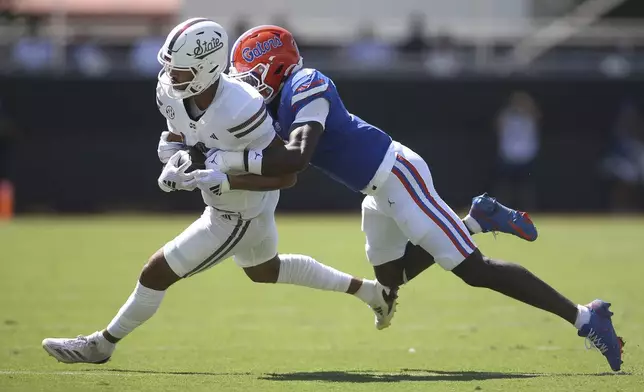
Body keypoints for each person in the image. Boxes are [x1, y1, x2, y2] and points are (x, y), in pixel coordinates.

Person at [212, 25, 623, 371]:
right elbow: (279, 168)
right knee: (390, 283)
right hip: (375, 193)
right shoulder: (279, 102)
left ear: (277, 65)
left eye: (252, 75)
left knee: (473, 270)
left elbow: (296, 159)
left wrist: (223, 162)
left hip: (398, 177)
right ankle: (475, 220)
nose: (248, 85)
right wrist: (206, 158)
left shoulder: (306, 84)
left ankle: (587, 318)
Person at [41, 18, 395, 365]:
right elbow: (177, 137)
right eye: (170, 67)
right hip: (233, 200)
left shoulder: (242, 106)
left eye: (179, 69)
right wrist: (173, 163)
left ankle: (102, 345)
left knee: (155, 273)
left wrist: (226, 179)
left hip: (237, 211)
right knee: (264, 270)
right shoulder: (171, 89)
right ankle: (371, 292)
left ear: (206, 68)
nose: (170, 75)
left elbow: (286, 176)